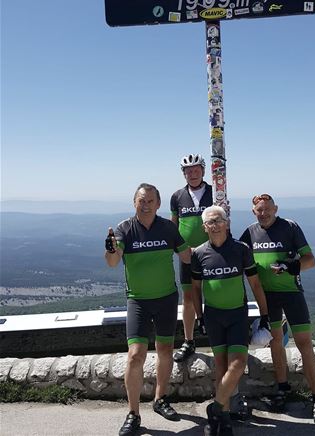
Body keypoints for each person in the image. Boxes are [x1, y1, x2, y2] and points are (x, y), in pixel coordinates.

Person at [105, 183, 191, 436]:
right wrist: (110, 248)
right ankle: (133, 413)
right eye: (141, 200)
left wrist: (220, 246)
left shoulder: (168, 228)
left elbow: (187, 256)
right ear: (134, 202)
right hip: (138, 301)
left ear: (158, 204)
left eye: (150, 200)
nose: (146, 204)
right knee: (135, 355)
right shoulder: (125, 229)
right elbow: (112, 261)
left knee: (165, 350)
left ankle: (160, 399)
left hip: (166, 299)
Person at [239, 193, 315, 425]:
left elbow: (311, 260)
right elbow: (235, 255)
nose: (264, 213)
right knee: (276, 342)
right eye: (260, 210)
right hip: (267, 298)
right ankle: (282, 389)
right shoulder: (249, 232)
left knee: (304, 344)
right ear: (254, 211)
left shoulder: (290, 227)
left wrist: (292, 266)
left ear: (275, 208)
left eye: (268, 209)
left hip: (292, 295)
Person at [191, 205, 269, 436]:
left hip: (237, 314)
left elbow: (255, 284)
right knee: (222, 368)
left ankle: (214, 408)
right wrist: (199, 317)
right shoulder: (199, 254)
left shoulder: (241, 249)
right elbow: (195, 289)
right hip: (214, 316)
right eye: (210, 222)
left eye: (218, 220)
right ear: (204, 227)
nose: (214, 225)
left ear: (226, 223)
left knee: (238, 364)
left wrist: (264, 316)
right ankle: (222, 420)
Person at [170, 154, 213, 362]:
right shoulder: (177, 196)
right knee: (187, 298)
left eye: (196, 170)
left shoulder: (215, 193)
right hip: (186, 255)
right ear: (183, 174)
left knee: (213, 294)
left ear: (203, 171)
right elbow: (173, 227)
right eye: (188, 171)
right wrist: (178, 249)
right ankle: (189, 341)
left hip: (212, 253)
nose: (192, 174)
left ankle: (217, 337)